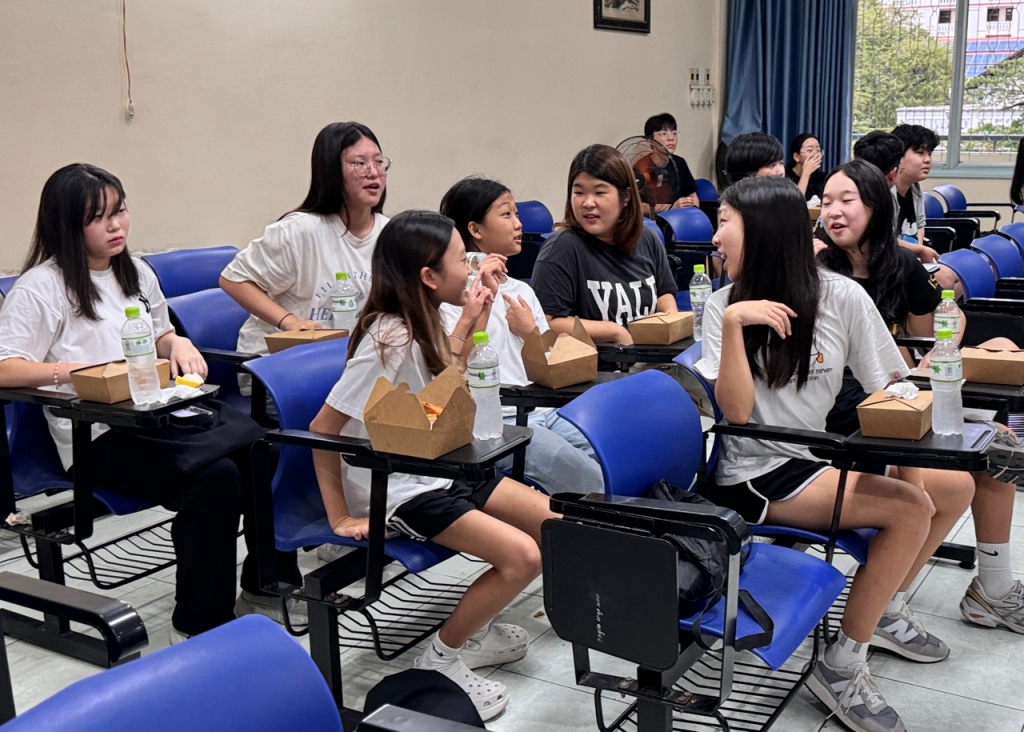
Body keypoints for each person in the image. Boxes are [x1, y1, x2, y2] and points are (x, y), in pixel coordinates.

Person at [697, 175, 967, 732]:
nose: (715, 237)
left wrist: (911, 475)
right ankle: (841, 667)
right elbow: (737, 415)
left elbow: (890, 387)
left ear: (764, 232)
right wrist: (734, 323)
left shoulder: (840, 295)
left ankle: (879, 607)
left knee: (952, 487)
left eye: (725, 222)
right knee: (909, 512)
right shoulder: (723, 305)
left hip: (815, 456)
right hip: (756, 471)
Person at [0, 163, 282, 642]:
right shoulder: (41, 288)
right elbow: (6, 368)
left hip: (155, 414)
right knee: (215, 480)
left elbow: (160, 333)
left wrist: (178, 343)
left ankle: (263, 587)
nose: (116, 226)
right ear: (67, 225)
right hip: (95, 433)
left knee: (261, 450)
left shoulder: (133, 271)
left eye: (120, 210)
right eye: (98, 218)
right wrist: (77, 373)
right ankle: (198, 626)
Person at [309, 210, 557, 722]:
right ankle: (440, 659)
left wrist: (473, 317)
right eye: (460, 261)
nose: (469, 269)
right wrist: (340, 516)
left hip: (437, 466)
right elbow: (322, 429)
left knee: (552, 521)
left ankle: (476, 628)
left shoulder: (426, 320)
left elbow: (439, 391)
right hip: (398, 489)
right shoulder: (388, 341)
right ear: (428, 276)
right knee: (522, 558)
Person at [819, 159, 1024, 636]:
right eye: (826, 202)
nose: (833, 212)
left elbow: (947, 318)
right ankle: (885, 606)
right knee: (958, 478)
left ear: (875, 208)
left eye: (846, 200)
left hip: (898, 395)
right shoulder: (818, 272)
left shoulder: (900, 264)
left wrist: (935, 356)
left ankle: (993, 589)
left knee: (999, 446)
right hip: (849, 415)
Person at [438, 176, 604, 495]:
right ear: (475, 230)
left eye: (516, 214)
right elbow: (449, 374)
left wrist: (530, 333)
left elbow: (547, 364)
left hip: (544, 411)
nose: (518, 224)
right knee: (591, 479)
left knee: (618, 455)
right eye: (506, 214)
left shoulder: (522, 291)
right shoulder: (452, 297)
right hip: (498, 424)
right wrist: (479, 307)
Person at [220, 121, 389, 381]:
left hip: (349, 365)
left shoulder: (389, 233)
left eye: (378, 162)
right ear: (331, 171)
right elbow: (233, 279)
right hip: (283, 370)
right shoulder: (299, 231)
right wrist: (289, 322)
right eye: (360, 163)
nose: (373, 172)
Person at [530, 144, 678, 346]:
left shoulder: (647, 238)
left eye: (599, 192)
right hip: (595, 363)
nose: (588, 203)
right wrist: (614, 332)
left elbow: (664, 293)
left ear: (626, 197)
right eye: (579, 192)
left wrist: (669, 317)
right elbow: (548, 322)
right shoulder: (562, 248)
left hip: (648, 358)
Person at [641, 112, 700, 212]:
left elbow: (692, 196)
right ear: (650, 140)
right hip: (652, 219)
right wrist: (670, 208)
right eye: (664, 134)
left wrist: (693, 211)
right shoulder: (641, 166)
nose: (671, 138)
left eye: (674, 133)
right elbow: (638, 207)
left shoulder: (679, 163)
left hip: (678, 217)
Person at [785, 132, 825, 201]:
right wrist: (806, 174)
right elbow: (795, 203)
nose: (816, 155)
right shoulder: (784, 176)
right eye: (810, 150)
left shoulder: (822, 177)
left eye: (818, 150)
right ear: (796, 157)